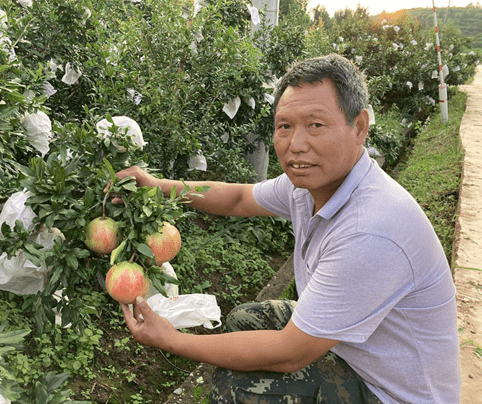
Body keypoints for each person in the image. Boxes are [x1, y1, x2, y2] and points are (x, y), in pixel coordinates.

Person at [109, 53, 461, 404]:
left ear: (359, 127)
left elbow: (290, 352)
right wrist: (154, 184)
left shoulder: (369, 231)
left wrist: (171, 339)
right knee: (247, 319)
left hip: (390, 391)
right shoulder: (308, 186)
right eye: (285, 126)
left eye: (316, 125)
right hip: (357, 350)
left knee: (237, 387)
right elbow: (238, 199)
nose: (296, 145)